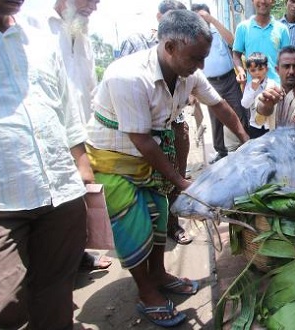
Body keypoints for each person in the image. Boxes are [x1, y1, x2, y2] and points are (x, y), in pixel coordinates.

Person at [84, 10, 249, 327]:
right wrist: (180, 181)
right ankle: (147, 294)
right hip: (114, 158)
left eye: (204, 58)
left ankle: (158, 274)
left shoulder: (189, 73)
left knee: (160, 215)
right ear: (170, 47)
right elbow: (141, 140)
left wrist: (245, 140)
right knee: (135, 225)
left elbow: (219, 106)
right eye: (196, 57)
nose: (201, 66)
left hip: (152, 155)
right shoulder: (128, 76)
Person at [0, 1, 92, 328]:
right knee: (3, 305)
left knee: (56, 295)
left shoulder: (38, 39)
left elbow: (67, 109)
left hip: (61, 192)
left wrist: (82, 165)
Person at [27, 0, 113, 272]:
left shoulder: (82, 37)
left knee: (77, 202)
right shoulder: (32, 25)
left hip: (80, 137)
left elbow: (90, 91)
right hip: (47, 137)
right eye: (91, 0)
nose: (95, 7)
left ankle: (77, 257)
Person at [119, 0, 193, 245]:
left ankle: (173, 225)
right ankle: (145, 235)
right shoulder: (136, 43)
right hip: (144, 129)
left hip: (175, 124)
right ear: (158, 17)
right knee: (146, 185)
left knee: (175, 178)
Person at [192, 3, 248, 163]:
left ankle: (245, 145)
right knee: (215, 118)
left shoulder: (218, 32)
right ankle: (221, 151)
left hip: (229, 79)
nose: (202, 20)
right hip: (210, 83)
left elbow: (233, 42)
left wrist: (212, 20)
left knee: (239, 111)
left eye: (204, 16)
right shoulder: (193, 39)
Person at [232, 0, 291, 86]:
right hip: (253, 88)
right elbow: (236, 55)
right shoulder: (243, 28)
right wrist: (241, 71)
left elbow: (287, 60)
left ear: (273, 1)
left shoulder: (282, 29)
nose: (263, 1)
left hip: (276, 88)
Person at [242, 52, 279, 138]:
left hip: (270, 125)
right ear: (248, 71)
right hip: (255, 126)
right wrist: (253, 90)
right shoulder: (249, 86)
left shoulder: (273, 84)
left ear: (267, 69)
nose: (257, 73)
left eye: (261, 69)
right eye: (253, 70)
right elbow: (245, 104)